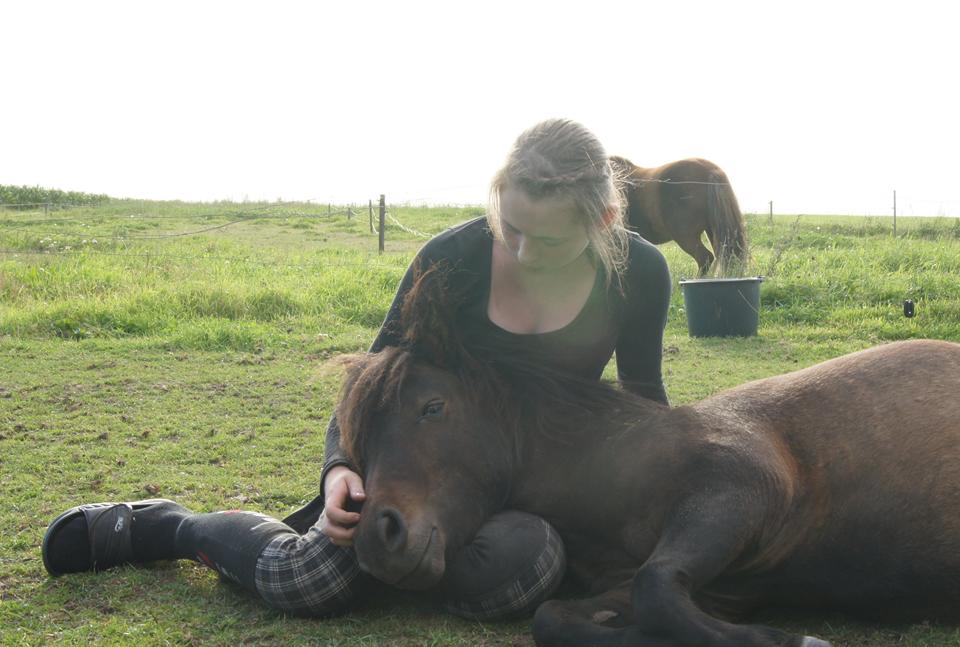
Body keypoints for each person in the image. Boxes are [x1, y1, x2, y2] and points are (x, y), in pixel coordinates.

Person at [41, 118, 673, 620]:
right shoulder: (452, 259)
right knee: (307, 582)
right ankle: (170, 528)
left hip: (533, 482)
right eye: (509, 228)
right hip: (421, 463)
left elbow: (645, 405)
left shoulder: (639, 274)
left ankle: (394, 568)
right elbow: (372, 383)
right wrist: (341, 466)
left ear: (604, 220)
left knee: (525, 571)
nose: (523, 251)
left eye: (550, 240)